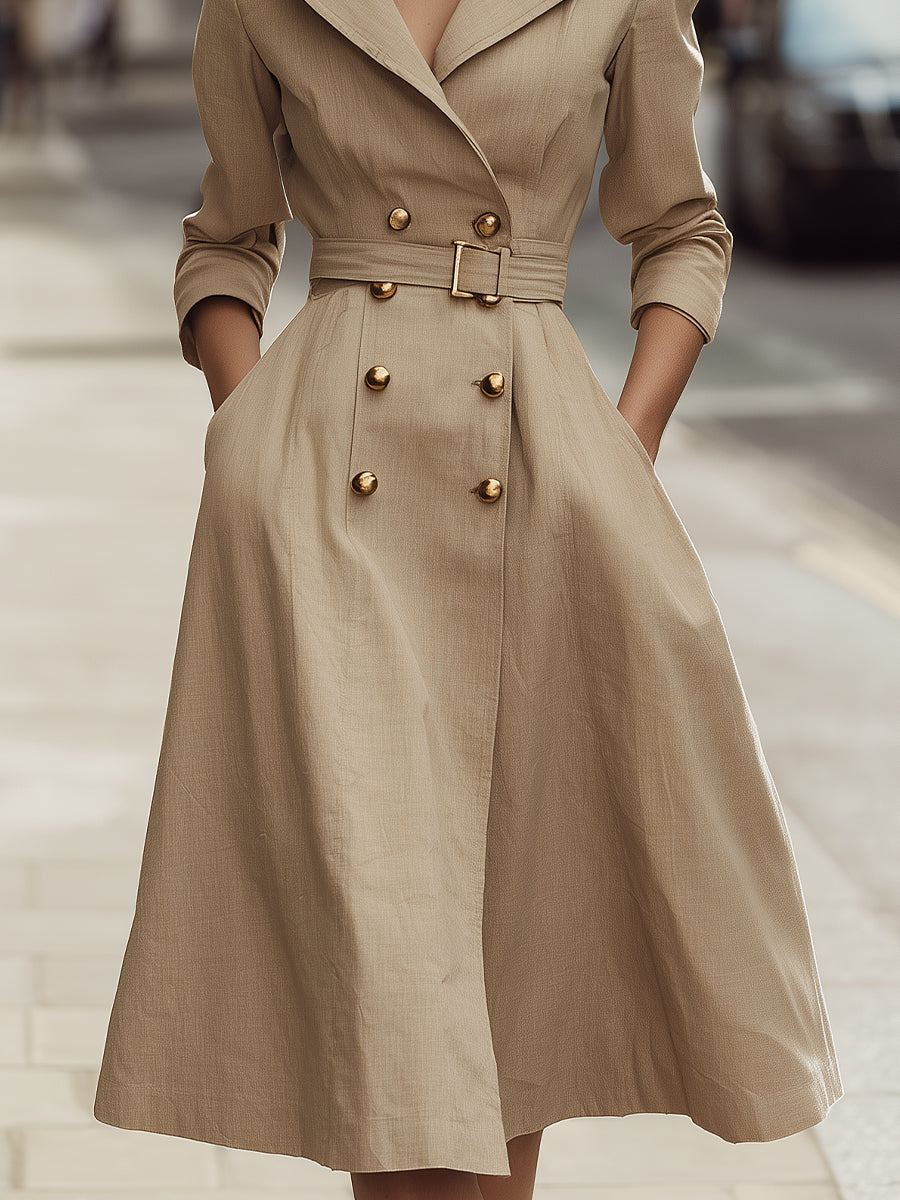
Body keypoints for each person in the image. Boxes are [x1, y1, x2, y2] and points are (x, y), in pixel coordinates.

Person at [92, 1, 843, 1198]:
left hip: (542, 492)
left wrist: (621, 450)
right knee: (388, 997)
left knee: (506, 1001)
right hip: (328, 511)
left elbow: (682, 227)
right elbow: (227, 237)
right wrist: (244, 443)